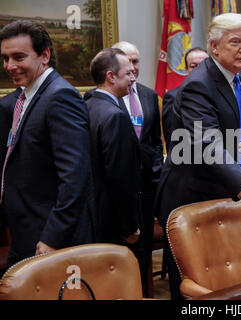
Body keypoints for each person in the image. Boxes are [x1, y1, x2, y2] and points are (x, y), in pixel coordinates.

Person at [154, 13, 241, 299]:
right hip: (193, 200)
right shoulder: (198, 85)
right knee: (196, 284)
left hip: (226, 196)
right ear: (214, 47)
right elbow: (208, 145)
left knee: (230, 278)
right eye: (235, 42)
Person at [0, 20, 95, 266]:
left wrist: (53, 237)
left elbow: (75, 176)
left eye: (18, 57)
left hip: (49, 237)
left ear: (44, 56)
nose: (9, 66)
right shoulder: (24, 96)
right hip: (26, 228)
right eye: (5, 58)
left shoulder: (60, 96)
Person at [111, 41, 164, 297]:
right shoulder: (106, 98)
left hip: (146, 188)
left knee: (142, 251)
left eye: (136, 61)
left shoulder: (149, 95)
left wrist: (155, 175)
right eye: (127, 62)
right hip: (118, 191)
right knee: (121, 252)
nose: (133, 67)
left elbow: (155, 142)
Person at [86, 48, 144, 271]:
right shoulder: (115, 116)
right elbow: (120, 177)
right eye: (128, 73)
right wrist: (130, 226)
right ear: (111, 76)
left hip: (94, 215)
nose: (133, 78)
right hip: (113, 222)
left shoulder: (88, 105)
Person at [162, 47, 209, 146]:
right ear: (186, 70)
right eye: (193, 66)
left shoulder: (219, 93)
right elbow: (172, 138)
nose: (199, 70)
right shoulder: (173, 97)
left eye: (203, 65)